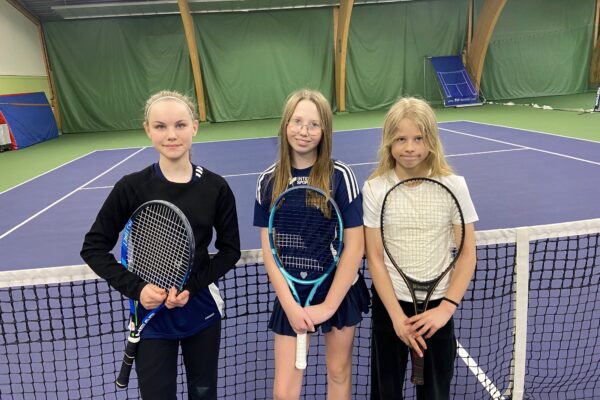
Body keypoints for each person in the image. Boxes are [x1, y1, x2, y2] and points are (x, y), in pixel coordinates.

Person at [80, 90, 241, 400]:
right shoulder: (131, 187)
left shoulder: (216, 187)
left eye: (180, 125)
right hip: (150, 317)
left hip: (201, 311)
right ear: (148, 130)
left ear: (194, 127)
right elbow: (94, 248)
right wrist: (137, 289)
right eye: (160, 126)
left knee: (203, 393)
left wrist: (191, 287)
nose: (171, 135)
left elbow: (230, 250)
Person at [253, 89, 369, 400]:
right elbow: (269, 251)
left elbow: (355, 246)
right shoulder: (268, 181)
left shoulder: (340, 176)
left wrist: (328, 305)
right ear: (285, 125)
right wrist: (291, 307)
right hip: (292, 294)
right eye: (297, 121)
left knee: (338, 372)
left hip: (338, 291)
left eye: (314, 124)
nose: (304, 131)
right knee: (284, 391)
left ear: (325, 130)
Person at [362, 97, 478, 400]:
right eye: (401, 139)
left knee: (435, 394)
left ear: (431, 141)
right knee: (385, 393)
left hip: (437, 309)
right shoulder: (374, 188)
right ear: (389, 141)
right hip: (390, 308)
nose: (410, 147)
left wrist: (446, 309)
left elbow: (467, 254)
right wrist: (396, 318)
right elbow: (375, 258)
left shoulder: (454, 185)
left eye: (418, 138)